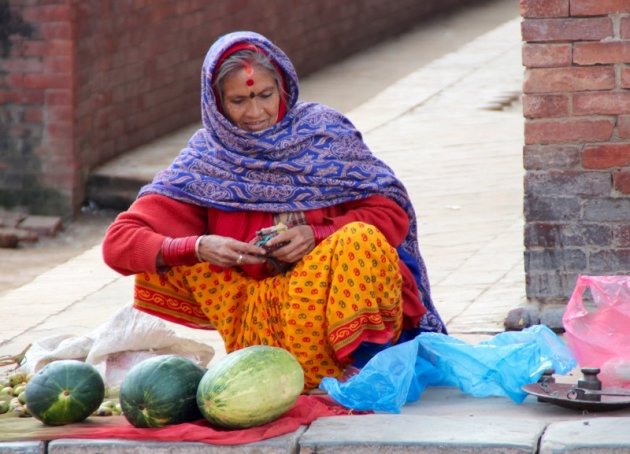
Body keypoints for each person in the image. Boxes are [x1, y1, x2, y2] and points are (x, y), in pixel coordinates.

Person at [102, 31, 446, 390]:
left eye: (265, 95)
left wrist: (317, 235)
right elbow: (118, 244)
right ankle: (282, 368)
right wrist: (200, 246)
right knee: (165, 253)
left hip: (331, 317)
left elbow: (391, 214)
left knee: (361, 239)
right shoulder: (206, 161)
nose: (255, 113)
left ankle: (363, 372)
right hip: (258, 336)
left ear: (283, 87)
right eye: (238, 101)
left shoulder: (325, 136)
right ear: (216, 104)